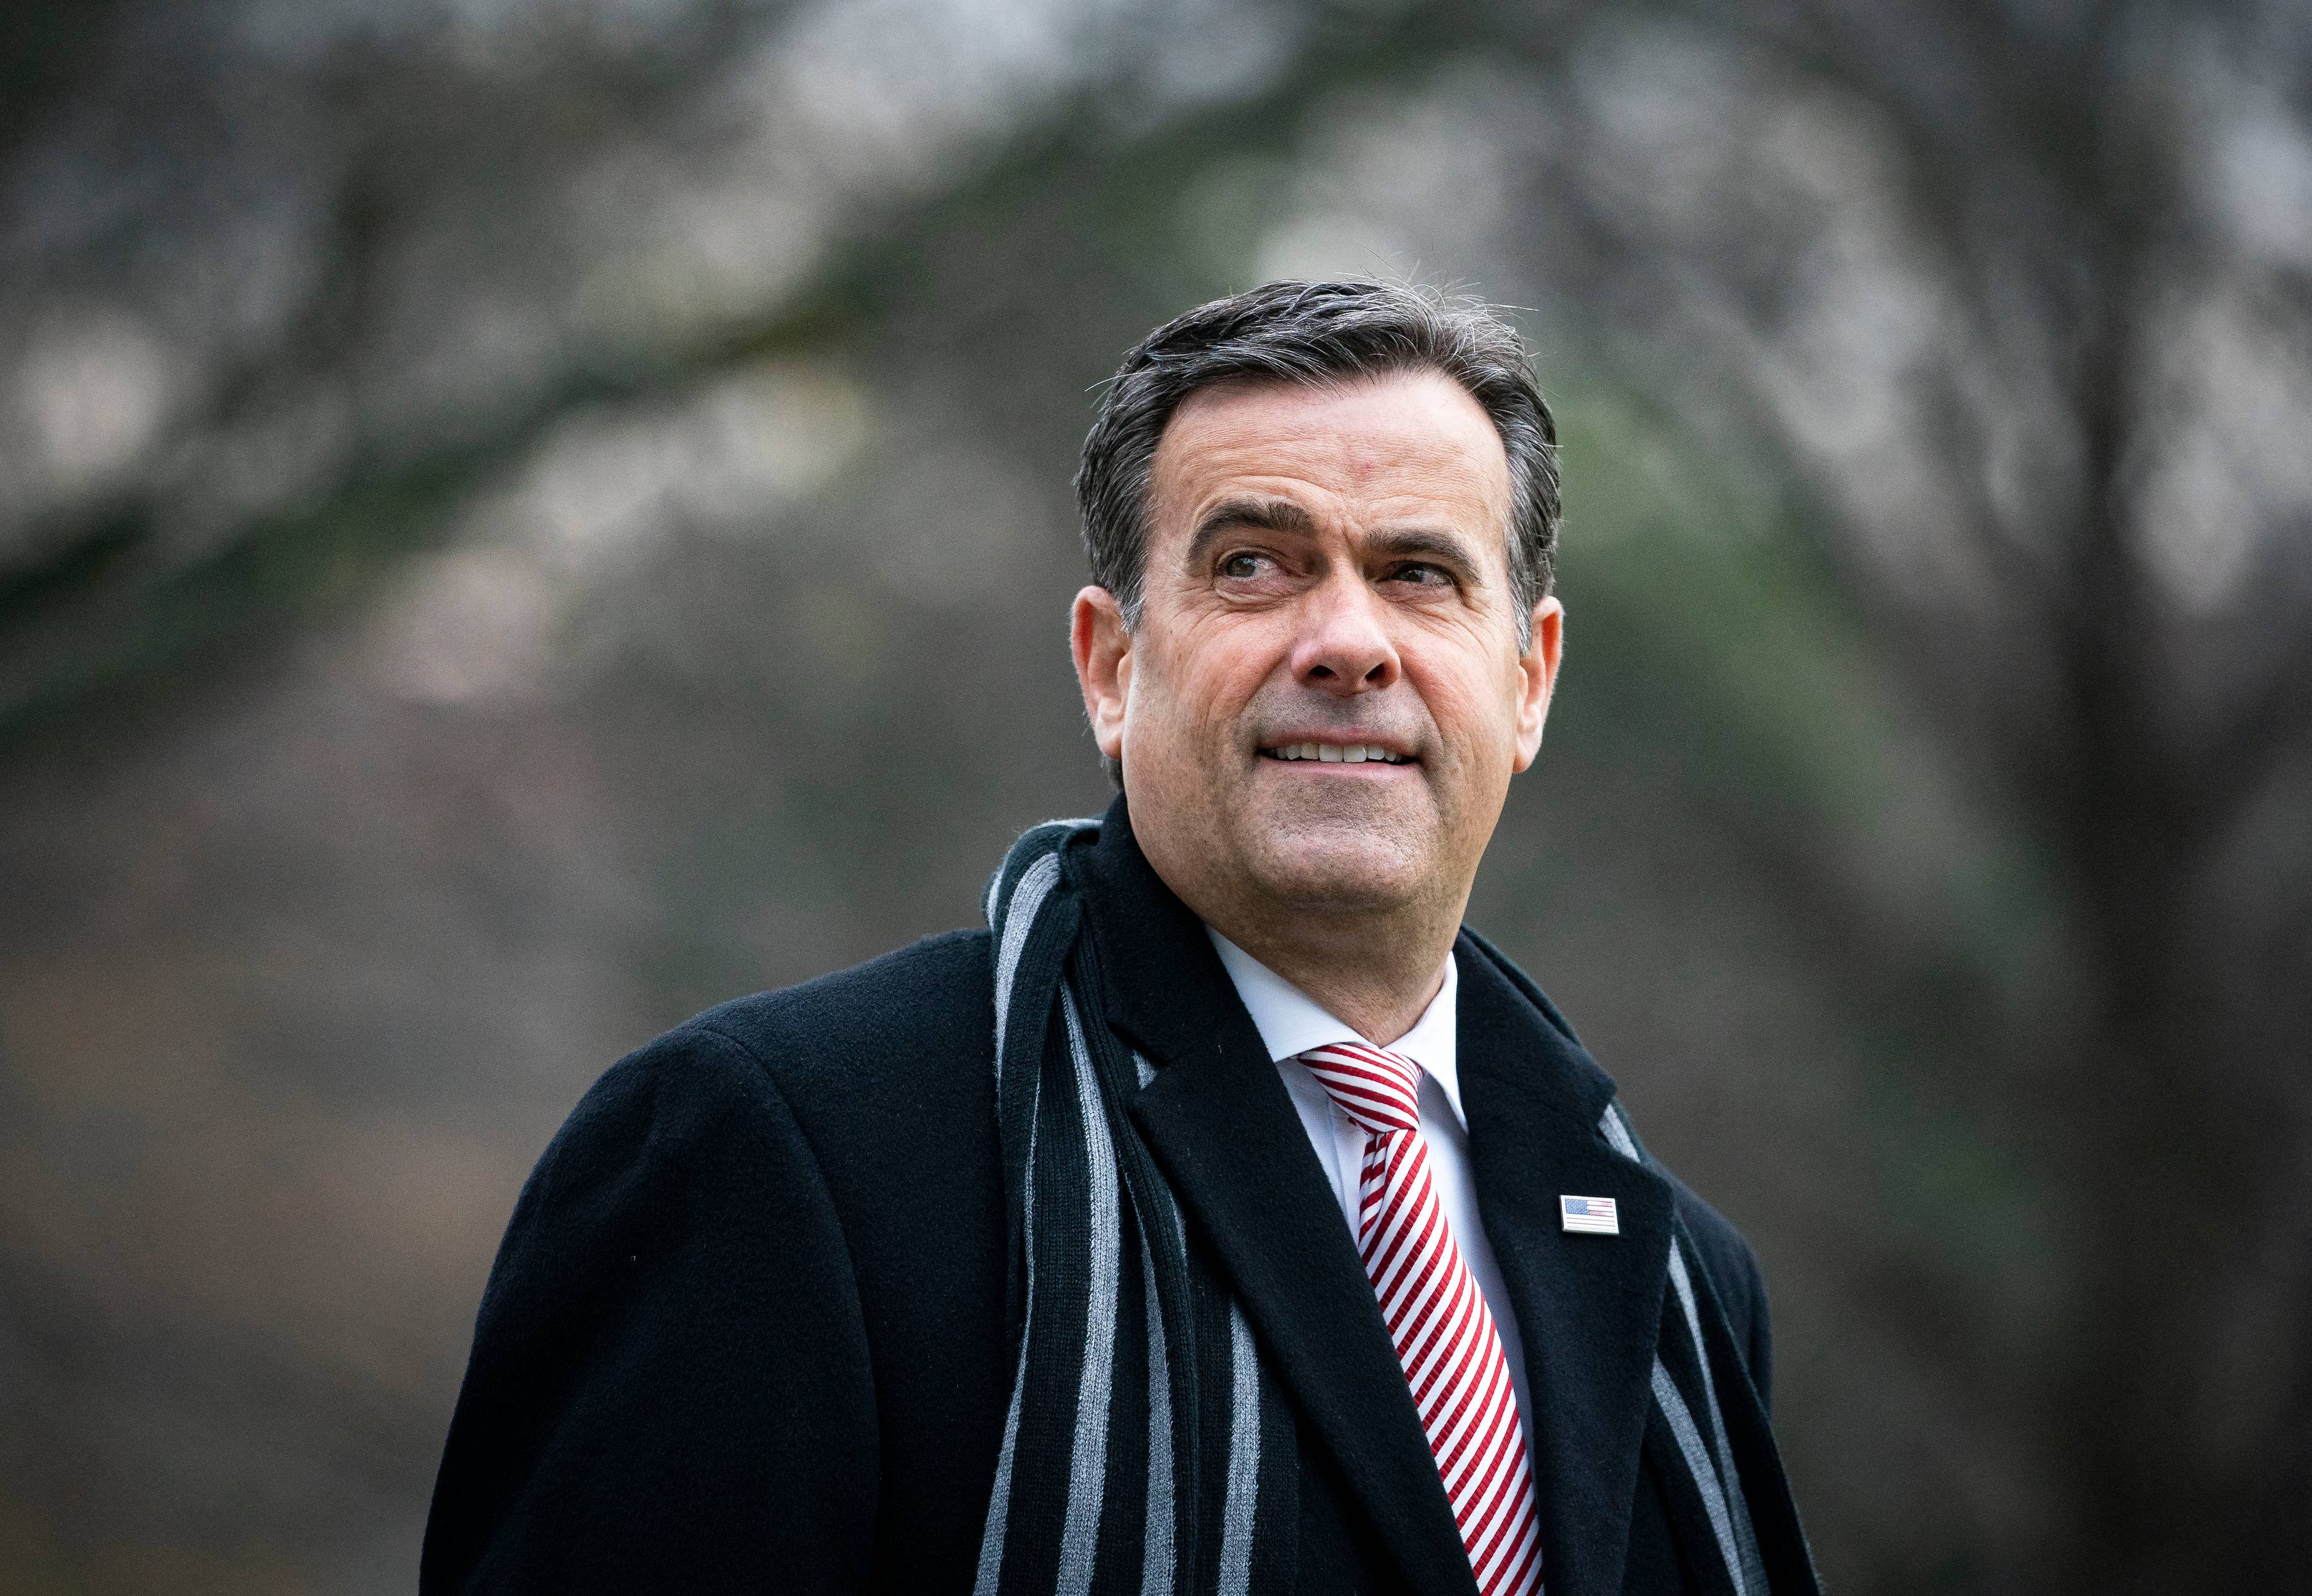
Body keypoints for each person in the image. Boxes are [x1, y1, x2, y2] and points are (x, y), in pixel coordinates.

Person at [420, 280, 1818, 1596]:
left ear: (1529, 681)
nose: (1347, 640)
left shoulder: (1683, 1278)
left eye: (1418, 572)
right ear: (1110, 666)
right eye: (1256, 563)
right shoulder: (777, 1154)